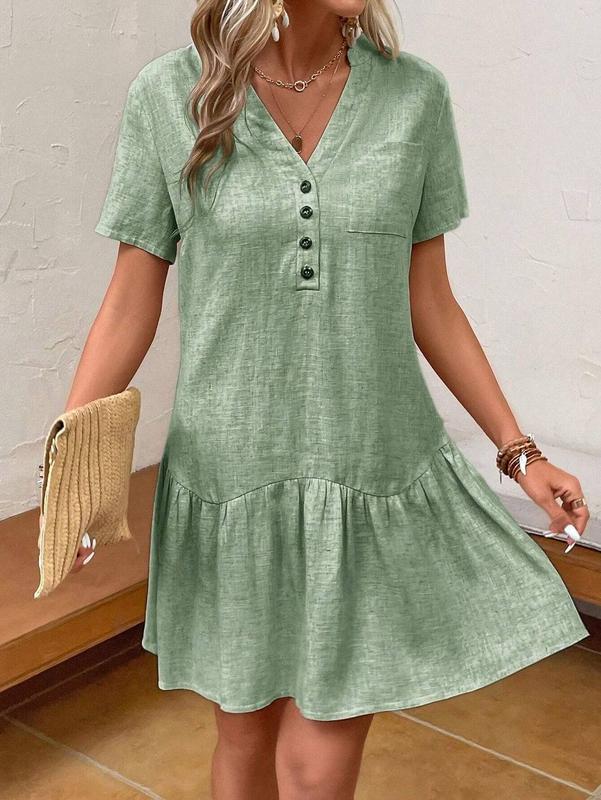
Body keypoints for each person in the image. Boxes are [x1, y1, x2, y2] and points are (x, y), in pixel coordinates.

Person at [64, 1, 590, 798]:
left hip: (366, 472)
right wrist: (69, 469)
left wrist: (519, 451)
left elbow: (430, 298)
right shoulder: (170, 94)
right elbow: (128, 304)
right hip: (232, 477)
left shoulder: (413, 97)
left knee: (320, 766)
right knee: (243, 736)